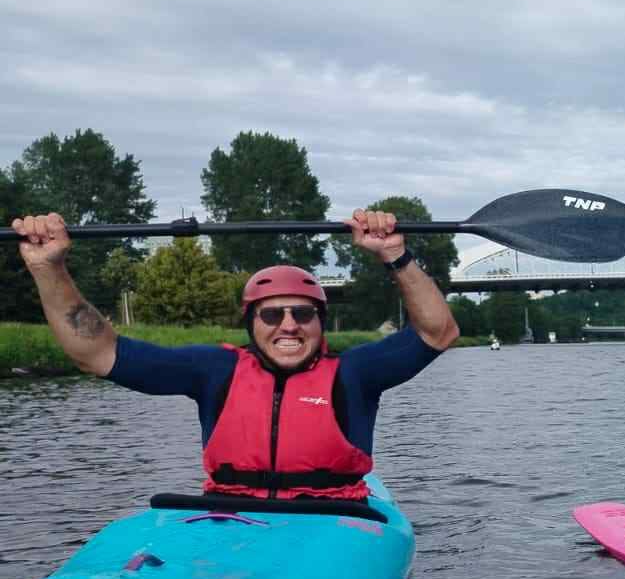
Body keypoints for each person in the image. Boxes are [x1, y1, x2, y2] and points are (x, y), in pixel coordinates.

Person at [10, 209, 460, 500]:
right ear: (251, 324)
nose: (288, 325)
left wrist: (396, 255)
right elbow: (97, 353)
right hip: (230, 517)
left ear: (321, 322)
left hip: (335, 517)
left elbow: (438, 332)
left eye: (303, 313)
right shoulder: (215, 370)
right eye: (272, 315)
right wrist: (49, 268)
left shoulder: (354, 372)